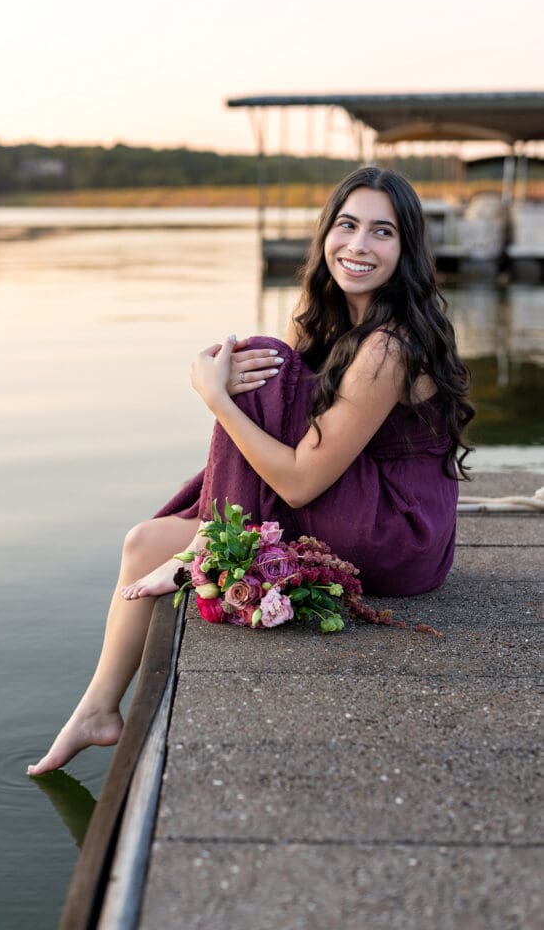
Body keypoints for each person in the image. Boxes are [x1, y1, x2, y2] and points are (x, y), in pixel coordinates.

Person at [27, 166, 473, 776]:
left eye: (382, 232)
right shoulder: (328, 323)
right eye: (346, 225)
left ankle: (207, 545)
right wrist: (222, 383)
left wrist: (216, 398)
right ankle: (98, 710)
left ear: (408, 249)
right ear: (324, 236)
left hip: (397, 533)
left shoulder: (389, 346)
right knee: (143, 542)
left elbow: (296, 482)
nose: (358, 246)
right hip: (353, 501)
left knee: (264, 363)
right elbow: (284, 450)